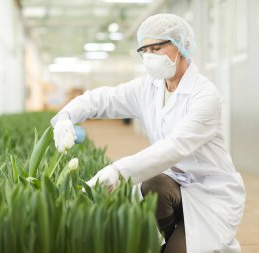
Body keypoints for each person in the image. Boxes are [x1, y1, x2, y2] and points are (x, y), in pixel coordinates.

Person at [50, 13, 245, 253]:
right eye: (145, 50)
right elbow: (102, 99)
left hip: (211, 194)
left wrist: (116, 171)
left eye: (157, 48)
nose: (150, 56)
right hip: (173, 186)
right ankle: (173, 231)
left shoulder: (204, 95)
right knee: (155, 184)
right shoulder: (148, 87)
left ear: (180, 45)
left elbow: (174, 147)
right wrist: (65, 118)